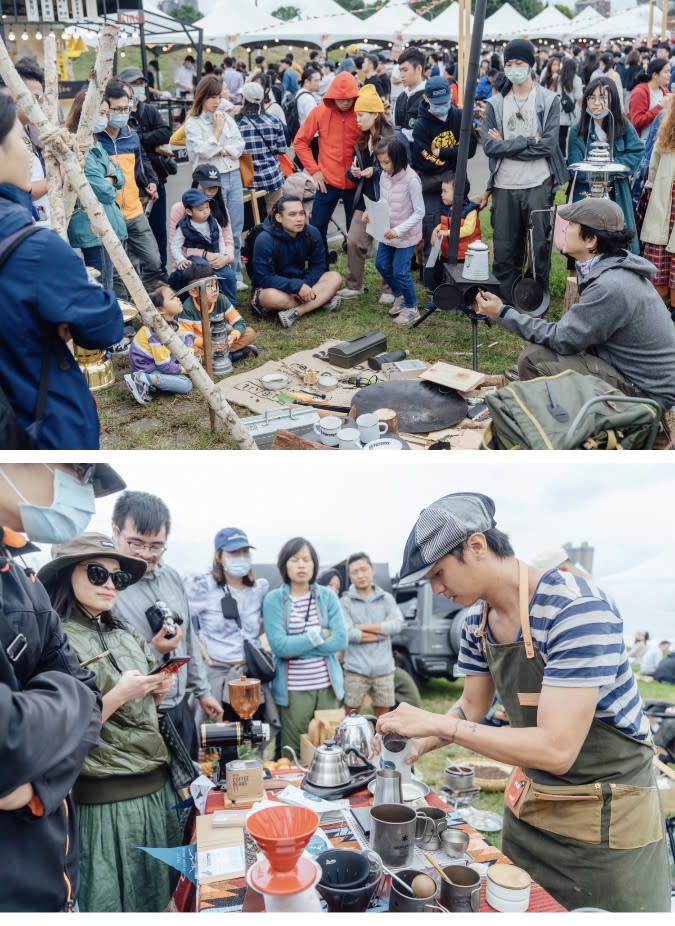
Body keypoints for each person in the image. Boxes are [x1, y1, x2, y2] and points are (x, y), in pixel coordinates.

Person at [375, 491, 671, 912]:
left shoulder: (575, 608)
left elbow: (557, 748)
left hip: (606, 824)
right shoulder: (478, 621)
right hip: (532, 813)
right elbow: (472, 706)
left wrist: (439, 725)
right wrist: (420, 743)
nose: (437, 590)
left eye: (439, 574)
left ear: (476, 546)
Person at [0, 464, 121, 912]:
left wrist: (39, 784)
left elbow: (87, 702)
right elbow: (7, 741)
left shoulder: (20, 579)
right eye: (79, 469)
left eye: (118, 578)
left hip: (51, 870)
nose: (85, 487)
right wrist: (71, 698)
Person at [38, 533, 179, 913]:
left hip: (156, 791)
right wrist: (118, 695)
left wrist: (156, 692)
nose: (110, 585)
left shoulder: (126, 632)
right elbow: (58, 731)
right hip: (105, 803)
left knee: (161, 897)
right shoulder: (55, 639)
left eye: (118, 578)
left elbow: (143, 708)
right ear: (67, 573)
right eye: (98, 573)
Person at [0, 94, 123, 449]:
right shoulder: (35, 249)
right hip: (38, 431)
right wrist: (79, 283)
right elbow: (105, 326)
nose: (28, 152)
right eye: (20, 139)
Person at [475, 198, 675, 411]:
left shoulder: (610, 285)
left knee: (534, 361)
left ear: (590, 240)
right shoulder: (611, 268)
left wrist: (502, 313)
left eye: (571, 225)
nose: (564, 230)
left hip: (647, 396)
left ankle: (568, 429)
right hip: (635, 377)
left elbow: (562, 339)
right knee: (536, 357)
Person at [110, 491, 224, 759]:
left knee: (191, 786)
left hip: (179, 705)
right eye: (136, 543)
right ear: (115, 532)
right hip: (135, 715)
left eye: (156, 546)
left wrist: (203, 692)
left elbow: (188, 640)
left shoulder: (172, 577)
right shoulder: (107, 584)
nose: (147, 554)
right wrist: (154, 649)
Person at [184, 527, 279, 765]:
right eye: (233, 553)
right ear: (219, 556)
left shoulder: (259, 589)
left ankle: (252, 779)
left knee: (253, 736)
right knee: (215, 739)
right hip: (218, 673)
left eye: (245, 552)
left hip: (249, 677)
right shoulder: (203, 587)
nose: (241, 558)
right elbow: (182, 619)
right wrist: (199, 647)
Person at [481, 39, 566, 302]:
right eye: (509, 64)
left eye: (519, 63)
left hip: (537, 181)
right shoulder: (496, 103)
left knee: (539, 244)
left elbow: (549, 146)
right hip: (505, 184)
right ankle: (505, 299)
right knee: (505, 245)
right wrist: (529, 141)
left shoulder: (548, 100)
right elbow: (489, 146)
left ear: (530, 65)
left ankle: (536, 298)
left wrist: (505, 145)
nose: (514, 68)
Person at [263, 537, 347, 757]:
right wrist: (320, 635)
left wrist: (296, 646)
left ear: (314, 564)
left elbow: (340, 640)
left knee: (330, 746)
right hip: (293, 691)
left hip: (328, 688)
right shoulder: (274, 600)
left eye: (307, 560)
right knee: (293, 751)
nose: (301, 565)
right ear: (284, 564)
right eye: (295, 559)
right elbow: (280, 647)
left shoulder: (327, 596)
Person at [96, 79, 164, 295]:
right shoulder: (94, 139)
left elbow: (139, 169)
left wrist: (149, 183)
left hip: (135, 211)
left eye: (126, 108)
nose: (122, 113)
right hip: (109, 215)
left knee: (153, 260)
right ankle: (128, 312)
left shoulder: (131, 136)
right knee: (118, 270)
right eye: (117, 109)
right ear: (105, 109)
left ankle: (147, 298)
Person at [567, 77, 643, 253]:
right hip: (585, 195)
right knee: (585, 244)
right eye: (592, 97)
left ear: (613, 100)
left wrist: (615, 168)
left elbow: (637, 150)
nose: (597, 103)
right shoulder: (577, 130)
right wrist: (599, 172)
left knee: (617, 242)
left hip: (617, 193)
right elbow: (575, 167)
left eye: (603, 97)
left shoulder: (623, 126)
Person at [184, 75, 246, 290]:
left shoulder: (226, 117)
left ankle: (235, 273)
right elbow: (202, 151)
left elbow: (239, 145)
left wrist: (223, 149)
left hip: (233, 173)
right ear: (202, 97)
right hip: (210, 179)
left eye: (219, 96)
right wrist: (218, 134)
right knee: (213, 226)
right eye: (212, 97)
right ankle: (215, 273)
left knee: (235, 226)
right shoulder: (193, 122)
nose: (216, 101)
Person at [64, 87, 127, 291]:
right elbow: (104, 192)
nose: (105, 119)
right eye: (101, 113)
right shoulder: (79, 146)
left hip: (106, 221)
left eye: (106, 114)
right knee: (102, 286)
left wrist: (110, 177)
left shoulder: (95, 141)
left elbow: (120, 175)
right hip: (93, 228)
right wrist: (110, 179)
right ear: (84, 112)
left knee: (111, 281)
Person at [411, 75, 477, 269]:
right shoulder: (420, 125)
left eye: (446, 102)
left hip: (456, 182)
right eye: (437, 103)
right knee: (430, 225)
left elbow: (470, 149)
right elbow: (422, 159)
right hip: (431, 184)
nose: (442, 106)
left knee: (458, 222)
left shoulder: (459, 116)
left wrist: (444, 153)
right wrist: (454, 155)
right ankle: (429, 271)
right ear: (426, 99)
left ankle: (456, 264)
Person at [293, 71, 361, 258]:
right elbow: (299, 142)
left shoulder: (361, 111)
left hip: (355, 182)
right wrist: (314, 171)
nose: (346, 102)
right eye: (341, 99)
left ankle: (355, 277)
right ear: (333, 96)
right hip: (327, 180)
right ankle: (320, 267)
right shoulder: (320, 111)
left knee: (356, 233)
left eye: (350, 98)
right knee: (316, 229)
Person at [250, 195, 342, 327]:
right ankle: (321, 301)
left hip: (302, 282)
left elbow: (319, 266)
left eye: (301, 213)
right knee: (269, 297)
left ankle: (297, 312)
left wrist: (305, 285)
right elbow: (262, 278)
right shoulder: (264, 239)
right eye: (292, 214)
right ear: (279, 217)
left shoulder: (312, 232)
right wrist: (296, 287)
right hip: (275, 288)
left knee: (335, 277)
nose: (299, 219)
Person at [339, 84, 393, 301]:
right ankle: (355, 285)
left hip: (387, 199)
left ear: (375, 114)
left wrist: (376, 171)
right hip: (365, 198)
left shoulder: (391, 138)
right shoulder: (362, 140)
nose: (357, 120)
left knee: (386, 243)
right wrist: (353, 173)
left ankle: (389, 288)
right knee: (353, 240)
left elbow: (398, 168)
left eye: (361, 115)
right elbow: (356, 172)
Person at [121, 66, 173, 277]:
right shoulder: (117, 112)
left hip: (155, 177)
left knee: (158, 228)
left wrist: (139, 138)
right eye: (134, 84)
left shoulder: (148, 110)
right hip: (130, 182)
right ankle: (138, 275)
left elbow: (165, 132)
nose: (139, 88)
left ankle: (160, 273)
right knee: (135, 231)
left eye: (141, 83)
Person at [367, 136, 424, 326]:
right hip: (387, 232)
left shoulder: (412, 180)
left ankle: (411, 307)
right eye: (381, 162)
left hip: (405, 236)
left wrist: (399, 230)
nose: (383, 166)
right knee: (382, 265)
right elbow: (384, 200)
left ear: (398, 158)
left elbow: (419, 212)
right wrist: (372, 211)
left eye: (387, 162)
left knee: (400, 272)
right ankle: (400, 295)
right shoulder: (384, 176)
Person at [341, 552, 404, 717]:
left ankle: (379, 743)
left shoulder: (386, 598)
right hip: (355, 669)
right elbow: (348, 633)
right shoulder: (345, 601)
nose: (360, 575)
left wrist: (362, 627)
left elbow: (397, 624)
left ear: (372, 570)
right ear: (350, 575)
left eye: (364, 569)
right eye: (355, 572)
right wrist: (382, 631)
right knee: (351, 718)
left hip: (384, 669)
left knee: (383, 719)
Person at [125, 284, 197, 405]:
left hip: (157, 362)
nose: (178, 298)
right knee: (186, 384)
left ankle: (153, 381)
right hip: (149, 369)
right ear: (160, 310)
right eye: (172, 297)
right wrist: (184, 369)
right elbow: (164, 366)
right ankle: (143, 379)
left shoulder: (168, 323)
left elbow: (185, 334)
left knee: (180, 341)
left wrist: (189, 347)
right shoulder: (156, 333)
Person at [179, 262, 257, 361]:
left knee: (249, 333)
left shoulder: (221, 299)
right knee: (189, 352)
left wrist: (232, 337)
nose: (214, 290)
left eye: (215, 284)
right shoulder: (187, 308)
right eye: (208, 286)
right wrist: (207, 344)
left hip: (220, 341)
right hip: (200, 344)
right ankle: (232, 356)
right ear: (193, 292)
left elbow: (239, 323)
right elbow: (187, 338)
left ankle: (216, 358)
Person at [170, 188, 237, 303]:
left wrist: (222, 256)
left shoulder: (214, 222)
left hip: (215, 256)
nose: (206, 211)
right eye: (201, 209)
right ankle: (203, 304)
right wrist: (180, 260)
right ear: (189, 212)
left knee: (229, 275)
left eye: (207, 207)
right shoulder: (184, 226)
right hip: (196, 259)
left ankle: (230, 304)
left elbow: (221, 239)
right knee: (203, 271)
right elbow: (174, 246)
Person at [640, 98, 675, 307]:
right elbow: (651, 173)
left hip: (663, 206)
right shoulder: (666, 132)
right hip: (664, 208)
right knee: (658, 282)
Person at [236, 81, 287, 211]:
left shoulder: (237, 125)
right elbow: (282, 150)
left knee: (253, 220)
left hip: (249, 181)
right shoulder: (274, 120)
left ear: (245, 99)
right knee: (275, 216)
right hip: (272, 178)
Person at [429, 173, 481, 285]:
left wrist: (446, 233)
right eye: (442, 191)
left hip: (465, 256)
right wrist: (436, 230)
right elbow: (444, 224)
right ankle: (440, 297)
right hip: (447, 253)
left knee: (461, 281)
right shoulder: (446, 208)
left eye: (445, 191)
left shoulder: (470, 210)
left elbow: (468, 230)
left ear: (458, 193)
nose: (442, 195)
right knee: (441, 277)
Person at [629, 58, 670, 140]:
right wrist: (659, 107)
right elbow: (637, 121)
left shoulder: (664, 90)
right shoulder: (640, 92)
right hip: (644, 142)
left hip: (661, 141)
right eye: (666, 72)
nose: (669, 75)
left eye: (669, 71)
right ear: (655, 75)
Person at [393, 47, 426, 144]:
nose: (402, 75)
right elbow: (396, 126)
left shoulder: (429, 97)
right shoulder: (401, 97)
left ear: (419, 69)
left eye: (405, 70)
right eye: (400, 70)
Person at [557, 57, 583, 155]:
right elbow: (578, 96)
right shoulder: (577, 79)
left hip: (561, 110)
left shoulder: (560, 78)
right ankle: (573, 154)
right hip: (573, 111)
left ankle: (562, 155)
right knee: (574, 135)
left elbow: (558, 94)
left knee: (561, 136)